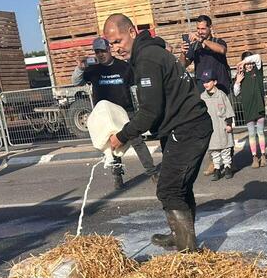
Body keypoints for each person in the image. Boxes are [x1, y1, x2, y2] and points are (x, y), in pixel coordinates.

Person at [103, 14, 212, 253]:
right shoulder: (149, 54)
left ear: (132, 32)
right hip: (183, 125)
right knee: (180, 187)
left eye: (118, 41)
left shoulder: (147, 59)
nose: (116, 48)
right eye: (111, 44)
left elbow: (149, 112)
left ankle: (188, 251)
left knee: (169, 189)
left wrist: (121, 136)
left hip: (187, 126)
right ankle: (180, 236)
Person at [71, 38, 158, 189]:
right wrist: (80, 68)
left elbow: (136, 84)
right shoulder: (93, 70)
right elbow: (76, 82)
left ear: (109, 49)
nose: (101, 54)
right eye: (97, 52)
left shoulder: (123, 67)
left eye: (103, 51)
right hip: (105, 115)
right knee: (111, 146)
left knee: (137, 141)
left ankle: (152, 172)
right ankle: (117, 176)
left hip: (125, 112)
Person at [199, 69, 235, 181]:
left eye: (208, 81)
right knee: (214, 150)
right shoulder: (202, 97)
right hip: (211, 128)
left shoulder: (221, 95)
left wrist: (229, 124)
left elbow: (228, 110)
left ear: (214, 82)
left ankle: (228, 167)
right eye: (204, 82)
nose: (205, 84)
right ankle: (217, 169)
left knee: (225, 149)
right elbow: (199, 113)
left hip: (222, 126)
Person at [234, 51, 267, 168]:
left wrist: (244, 61)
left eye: (249, 63)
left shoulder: (257, 71)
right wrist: (238, 81)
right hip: (248, 109)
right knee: (252, 134)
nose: (248, 65)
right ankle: (254, 157)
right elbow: (236, 93)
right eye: (246, 63)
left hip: (259, 107)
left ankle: (263, 155)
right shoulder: (241, 75)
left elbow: (258, 57)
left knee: (260, 132)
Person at [183, 15, 230, 94]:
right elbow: (183, 64)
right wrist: (183, 53)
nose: (200, 32)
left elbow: (222, 50)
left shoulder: (218, 42)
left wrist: (201, 40)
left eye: (203, 29)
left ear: (210, 27)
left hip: (220, 87)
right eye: (198, 28)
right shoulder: (195, 46)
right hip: (202, 89)